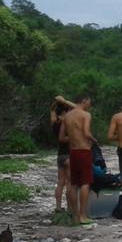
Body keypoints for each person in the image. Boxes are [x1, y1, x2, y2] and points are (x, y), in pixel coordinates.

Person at [58, 94, 94, 225]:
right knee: (85, 183)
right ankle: (83, 215)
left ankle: (75, 216)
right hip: (84, 150)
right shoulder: (86, 115)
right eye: (89, 101)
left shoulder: (67, 116)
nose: (90, 104)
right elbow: (86, 132)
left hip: (72, 151)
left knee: (73, 183)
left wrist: (74, 137)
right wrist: (94, 140)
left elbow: (61, 138)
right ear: (84, 100)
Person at [50, 96, 75, 212]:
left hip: (60, 155)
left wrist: (56, 103)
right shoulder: (67, 124)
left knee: (60, 183)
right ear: (64, 113)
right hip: (69, 155)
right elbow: (78, 109)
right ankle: (70, 208)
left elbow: (52, 111)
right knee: (70, 183)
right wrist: (64, 101)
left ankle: (58, 207)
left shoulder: (54, 123)